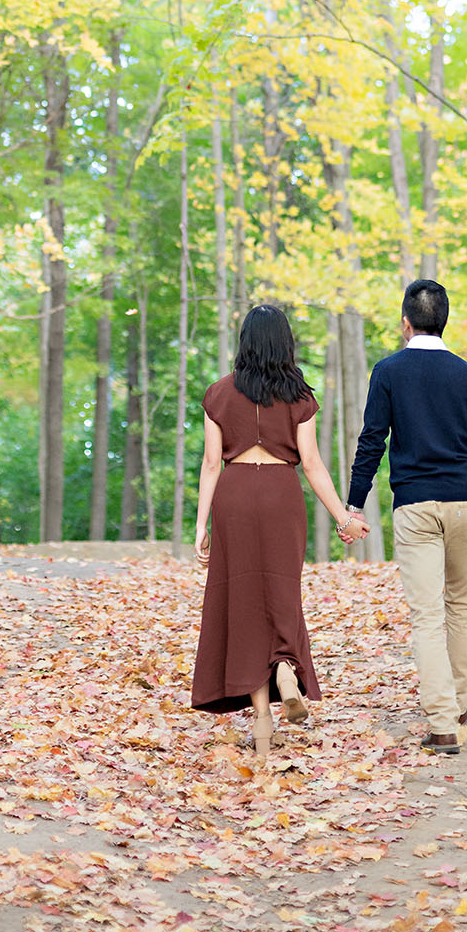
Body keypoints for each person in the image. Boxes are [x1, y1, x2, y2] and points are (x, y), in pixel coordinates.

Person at [338, 278, 467, 754]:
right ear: (444, 321)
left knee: (428, 614)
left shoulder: (389, 371)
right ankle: (461, 700)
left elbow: (373, 441)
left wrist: (354, 503)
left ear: (405, 324)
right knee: (462, 604)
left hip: (416, 506)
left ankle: (442, 722)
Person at [191, 302, 358, 758]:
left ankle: (262, 721)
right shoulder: (300, 396)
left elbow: (210, 463)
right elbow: (312, 464)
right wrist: (343, 518)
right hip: (282, 496)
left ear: (245, 341)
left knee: (243, 603)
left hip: (236, 495)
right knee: (282, 593)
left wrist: (201, 524)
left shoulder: (218, 394)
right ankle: (285, 665)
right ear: (285, 342)